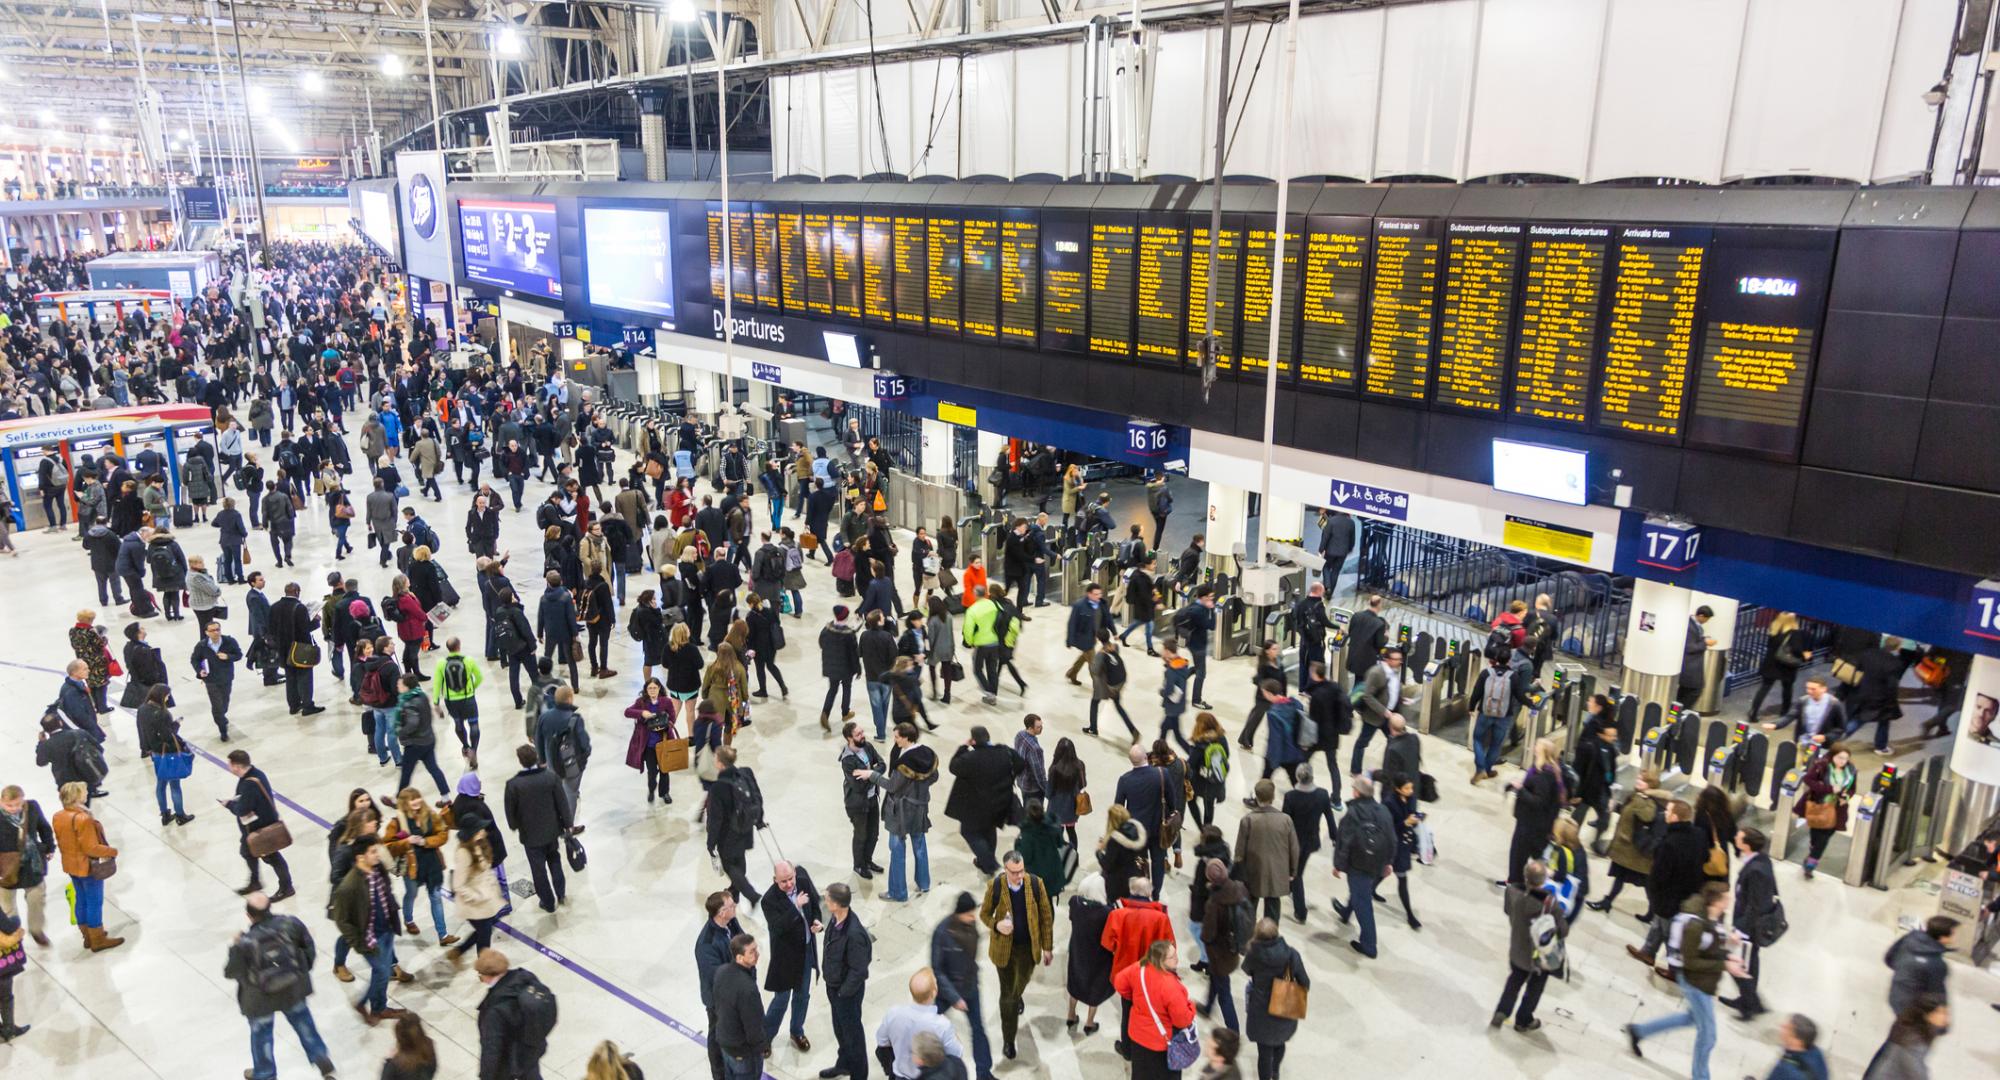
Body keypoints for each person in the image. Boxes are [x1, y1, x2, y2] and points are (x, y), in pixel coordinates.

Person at [1624, 882, 1746, 1080]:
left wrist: (1729, 950)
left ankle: (1638, 1031)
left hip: (1704, 982)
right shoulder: (1694, 925)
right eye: (1726, 898)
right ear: (1716, 901)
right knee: (1708, 1036)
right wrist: (1725, 965)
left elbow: (1710, 948)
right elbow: (1691, 962)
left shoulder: (1713, 917)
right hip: (1695, 983)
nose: (1730, 900)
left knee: (1690, 1019)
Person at [225, 892, 335, 1080]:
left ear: (249, 915)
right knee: (303, 1023)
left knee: (262, 1036)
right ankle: (321, 1059)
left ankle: (265, 1073)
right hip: (292, 989)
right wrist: (300, 973)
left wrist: (234, 946)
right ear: (270, 907)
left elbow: (231, 972)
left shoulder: (244, 942)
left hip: (260, 999)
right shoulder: (290, 924)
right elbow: (309, 949)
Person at [979, 851, 1054, 1061]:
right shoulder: (995, 887)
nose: (1019, 876)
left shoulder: (1036, 884)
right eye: (1014, 872)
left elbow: (1046, 917)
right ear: (1005, 870)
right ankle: (1009, 1040)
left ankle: (1017, 993)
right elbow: (984, 914)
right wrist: (997, 924)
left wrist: (1047, 947)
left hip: (1029, 949)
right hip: (1005, 951)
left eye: (1021, 871)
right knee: (1008, 998)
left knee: (1021, 982)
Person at [331, 835, 409, 1024]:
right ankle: (371, 1005)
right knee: (382, 971)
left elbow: (386, 892)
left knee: (380, 972)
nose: (378, 854)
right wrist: (360, 944)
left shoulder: (378, 870)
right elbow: (342, 920)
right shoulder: (348, 886)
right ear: (360, 857)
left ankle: (376, 1007)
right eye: (373, 852)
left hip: (387, 928)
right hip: (370, 938)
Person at [863, 722, 938, 903]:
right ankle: (924, 882)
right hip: (920, 806)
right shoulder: (928, 754)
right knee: (919, 844)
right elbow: (934, 777)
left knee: (897, 849)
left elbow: (892, 786)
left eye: (897, 737)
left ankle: (898, 892)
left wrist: (871, 775)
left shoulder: (905, 763)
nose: (894, 740)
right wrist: (917, 788)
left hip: (902, 810)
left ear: (906, 737)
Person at [1629, 798, 1709, 968]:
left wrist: (1654, 890)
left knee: (1668, 931)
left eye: (1668, 811)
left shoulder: (1669, 843)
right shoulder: (1699, 835)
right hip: (1690, 890)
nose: (1665, 813)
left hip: (1670, 894)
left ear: (1674, 817)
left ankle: (1675, 968)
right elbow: (1705, 858)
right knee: (1659, 923)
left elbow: (1659, 874)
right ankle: (1648, 952)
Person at [1493, 860, 1567, 1033]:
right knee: (1534, 988)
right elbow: (1563, 930)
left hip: (1517, 948)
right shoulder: (1549, 903)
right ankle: (1523, 1020)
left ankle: (1502, 1011)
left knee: (1514, 981)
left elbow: (1507, 910)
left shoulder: (1512, 891)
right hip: (1538, 957)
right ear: (1543, 881)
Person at [760, 860, 823, 1053]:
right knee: (781, 1000)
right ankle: (765, 1038)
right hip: (785, 958)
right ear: (775, 880)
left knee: (802, 995)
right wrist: (795, 906)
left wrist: (817, 922)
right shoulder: (769, 900)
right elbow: (777, 927)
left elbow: (815, 904)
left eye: (790, 879)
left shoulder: (802, 882)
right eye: (783, 881)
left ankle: (797, 1031)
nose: (788, 884)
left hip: (804, 952)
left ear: (795, 873)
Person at [503, 745, 574, 913]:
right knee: (555, 861)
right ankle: (561, 893)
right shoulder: (550, 778)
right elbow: (562, 803)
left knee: (538, 870)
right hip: (552, 831)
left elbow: (510, 813)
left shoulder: (513, 785)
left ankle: (548, 902)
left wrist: (514, 825)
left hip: (530, 836)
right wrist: (567, 824)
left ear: (520, 761)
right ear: (536, 758)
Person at [1330, 773, 1394, 959]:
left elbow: (1345, 842)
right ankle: (1345, 912)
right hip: (1377, 863)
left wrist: (1338, 866)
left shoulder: (1353, 813)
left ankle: (1369, 945)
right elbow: (1392, 839)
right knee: (1361, 892)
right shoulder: (1383, 811)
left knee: (1362, 901)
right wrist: (1388, 862)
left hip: (1358, 865)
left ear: (1357, 793)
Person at [929, 892, 993, 1079]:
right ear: (960, 912)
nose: (973, 918)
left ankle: (984, 1072)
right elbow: (937, 969)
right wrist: (954, 997)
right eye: (970, 914)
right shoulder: (942, 932)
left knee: (978, 1030)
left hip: (969, 985)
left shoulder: (970, 925)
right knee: (928, 1025)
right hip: (948, 991)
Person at [1112, 939, 1195, 1080]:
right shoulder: (1171, 986)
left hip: (1138, 1037)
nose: (1177, 959)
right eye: (1172, 957)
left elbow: (1119, 982)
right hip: (1162, 1045)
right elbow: (1182, 1020)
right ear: (1161, 960)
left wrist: (1135, 998)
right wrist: (1191, 1007)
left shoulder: (1140, 967)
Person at [1721, 827, 1780, 1021]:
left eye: (1738, 836)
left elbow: (1755, 905)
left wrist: (1740, 930)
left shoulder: (1756, 870)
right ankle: (1750, 1000)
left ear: (1746, 844)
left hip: (1748, 926)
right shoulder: (1761, 860)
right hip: (1748, 923)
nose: (1735, 837)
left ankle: (1750, 1004)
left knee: (1737, 962)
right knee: (1748, 961)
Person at [1589, 766, 1666, 913]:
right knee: (1621, 877)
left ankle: (1653, 912)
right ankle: (1607, 902)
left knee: (1645, 883)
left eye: (1642, 780)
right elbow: (1630, 814)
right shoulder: (1638, 796)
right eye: (1638, 778)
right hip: (1628, 850)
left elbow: (1647, 816)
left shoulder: (1646, 800)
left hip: (1636, 851)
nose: (1637, 780)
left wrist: (1639, 798)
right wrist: (1617, 807)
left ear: (1650, 785)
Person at [223, 749, 296, 902]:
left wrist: (229, 805)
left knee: (273, 857)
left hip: (260, 828)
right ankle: (255, 882)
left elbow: (243, 809)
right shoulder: (256, 774)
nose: (229, 768)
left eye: (230, 765)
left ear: (237, 766)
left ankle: (286, 887)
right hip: (256, 826)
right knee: (247, 852)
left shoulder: (249, 784)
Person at [946, 726, 1020, 876]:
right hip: (999, 801)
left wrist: (963, 747)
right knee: (989, 830)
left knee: (969, 832)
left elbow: (953, 767)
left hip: (976, 805)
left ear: (973, 740)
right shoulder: (1004, 752)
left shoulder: (970, 758)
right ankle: (983, 862)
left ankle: (991, 865)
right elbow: (1020, 764)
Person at [1239, 919, 1307, 1080]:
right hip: (1285, 1008)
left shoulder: (1253, 954)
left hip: (1261, 1011)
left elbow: (1246, 970)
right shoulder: (1291, 954)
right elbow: (1305, 982)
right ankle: (1275, 1071)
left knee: (1264, 1052)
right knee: (1280, 1042)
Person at [474, 949, 556, 1080]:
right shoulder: (526, 977)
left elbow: (491, 1048)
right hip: (533, 1046)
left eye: (480, 975)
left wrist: (486, 1076)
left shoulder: (495, 1009)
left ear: (488, 976)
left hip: (512, 1059)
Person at [820, 881, 873, 1080]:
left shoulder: (854, 933)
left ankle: (859, 1075)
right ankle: (844, 1065)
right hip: (834, 986)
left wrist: (843, 992)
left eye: (827, 898)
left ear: (835, 904)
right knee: (840, 1031)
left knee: (853, 1038)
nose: (824, 900)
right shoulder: (835, 920)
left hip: (846, 993)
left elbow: (859, 969)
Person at [875, 969, 969, 1080]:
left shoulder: (894, 1013)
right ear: (934, 993)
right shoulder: (941, 1024)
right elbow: (956, 1054)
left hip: (900, 1075)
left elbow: (881, 1041)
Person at [1196, 856, 1248, 1030]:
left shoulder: (1214, 903)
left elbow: (1208, 934)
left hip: (1219, 953)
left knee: (1224, 993)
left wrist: (1204, 937)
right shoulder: (1239, 888)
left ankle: (1233, 1030)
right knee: (1215, 978)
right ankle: (1208, 1007)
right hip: (1233, 948)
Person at [709, 745, 765, 906]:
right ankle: (735, 892)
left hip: (728, 833)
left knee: (729, 865)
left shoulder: (718, 787)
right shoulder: (745, 773)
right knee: (739, 858)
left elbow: (715, 819)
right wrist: (759, 820)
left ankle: (751, 895)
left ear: (720, 763)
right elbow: (757, 796)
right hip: (746, 826)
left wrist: (711, 842)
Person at [1506, 739, 1566, 886]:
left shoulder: (1545, 775)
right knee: (1531, 854)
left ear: (1543, 752)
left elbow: (1538, 801)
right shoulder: (1547, 770)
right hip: (1537, 823)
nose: (1534, 748)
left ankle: (1515, 882)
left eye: (1537, 747)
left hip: (1532, 824)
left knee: (1518, 855)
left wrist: (1520, 789)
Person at [1280, 765, 1336, 920]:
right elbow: (1330, 819)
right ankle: (1291, 888)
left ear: (1297, 777)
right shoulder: (1322, 795)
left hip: (1293, 842)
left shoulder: (1291, 796)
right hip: (1311, 841)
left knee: (1295, 874)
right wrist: (1334, 837)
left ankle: (1300, 912)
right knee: (1298, 868)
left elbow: (1285, 821)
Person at [448, 811, 505, 962]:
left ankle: (458, 951)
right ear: (472, 832)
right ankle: (485, 969)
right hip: (475, 904)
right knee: (485, 935)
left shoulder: (479, 844)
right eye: (480, 829)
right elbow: (458, 884)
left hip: (486, 899)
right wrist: (477, 897)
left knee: (487, 928)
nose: (483, 831)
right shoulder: (464, 853)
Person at [1795, 743, 1857, 880]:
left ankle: (1811, 864)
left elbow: (1852, 789)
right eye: (1840, 758)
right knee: (1816, 835)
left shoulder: (1851, 770)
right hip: (1818, 806)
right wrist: (1829, 789)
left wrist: (1845, 797)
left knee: (1825, 836)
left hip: (1837, 809)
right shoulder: (1821, 766)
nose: (1843, 761)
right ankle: (1813, 850)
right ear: (1832, 756)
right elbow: (1808, 779)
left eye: (1846, 759)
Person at [711, 933, 769, 1078]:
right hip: (743, 1053)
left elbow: (717, 1004)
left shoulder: (721, 971)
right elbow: (753, 1026)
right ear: (739, 957)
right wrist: (761, 1047)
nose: (757, 954)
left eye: (756, 949)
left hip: (725, 1043)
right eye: (752, 952)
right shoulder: (747, 988)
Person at [839, 721, 887, 879]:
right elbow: (858, 786)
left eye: (862, 732)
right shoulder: (847, 760)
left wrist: (868, 774)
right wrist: (874, 775)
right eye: (858, 734)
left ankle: (868, 861)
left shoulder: (867, 747)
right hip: (857, 804)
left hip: (872, 798)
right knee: (861, 835)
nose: (862, 735)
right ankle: (858, 865)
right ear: (849, 738)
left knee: (874, 834)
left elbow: (882, 764)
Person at [535, 686, 593, 815]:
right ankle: (569, 828)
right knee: (571, 793)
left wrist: (542, 760)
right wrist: (585, 755)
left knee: (555, 790)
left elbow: (538, 739)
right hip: (571, 763)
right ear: (569, 699)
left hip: (551, 761)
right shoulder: (575, 718)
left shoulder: (544, 717)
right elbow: (584, 742)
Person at [1348, 647, 1405, 776]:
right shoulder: (1376, 673)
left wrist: (1400, 700)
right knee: (1362, 742)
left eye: (1400, 659)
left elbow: (1392, 690)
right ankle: (1355, 770)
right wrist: (1383, 710)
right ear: (1388, 660)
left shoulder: (1395, 671)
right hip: (1374, 716)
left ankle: (1389, 769)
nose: (1399, 662)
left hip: (1390, 715)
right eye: (1396, 659)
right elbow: (1367, 695)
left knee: (1394, 742)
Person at [1863, 994, 1947, 1080]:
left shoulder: (1916, 1031)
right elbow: (1916, 1071)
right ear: (1927, 1014)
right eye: (1941, 1012)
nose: (1945, 1018)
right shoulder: (1912, 1039)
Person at [1886, 916, 1956, 1017]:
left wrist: (1903, 972)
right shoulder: (1936, 963)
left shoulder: (1910, 938)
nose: (1955, 937)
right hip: (1915, 1009)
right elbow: (1937, 994)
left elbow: (1889, 958)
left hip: (1896, 994)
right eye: (1953, 933)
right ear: (1943, 937)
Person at [190, 620, 242, 741]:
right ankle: (222, 729)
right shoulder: (202, 646)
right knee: (217, 705)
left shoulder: (229, 641)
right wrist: (199, 671)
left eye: (218, 629)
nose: (216, 632)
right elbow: (194, 660)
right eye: (212, 630)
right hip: (211, 680)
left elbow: (238, 654)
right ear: (207, 633)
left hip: (226, 677)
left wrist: (228, 656)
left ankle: (222, 716)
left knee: (224, 702)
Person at [1764, 677, 1847, 745]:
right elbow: (1790, 716)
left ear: (1823, 689)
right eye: (1808, 688)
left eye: (1813, 689)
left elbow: (1840, 728)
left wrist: (1826, 737)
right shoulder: (1803, 701)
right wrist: (1776, 725)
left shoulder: (1834, 704)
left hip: (1822, 745)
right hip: (1802, 741)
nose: (1809, 691)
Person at [1763, 1014, 1829, 1080]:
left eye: (1787, 1028)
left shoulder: (1785, 1069)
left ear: (1797, 1041)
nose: (1782, 1025)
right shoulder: (1816, 1052)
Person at [1677, 604, 1718, 709]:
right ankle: (1681, 713)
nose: (1707, 621)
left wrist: (1703, 639)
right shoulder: (1690, 628)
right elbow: (1690, 647)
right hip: (1689, 666)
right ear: (1701, 615)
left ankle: (1676, 713)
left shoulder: (1693, 625)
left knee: (1684, 692)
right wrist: (1705, 643)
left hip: (1689, 666)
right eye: (1706, 619)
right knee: (1695, 690)